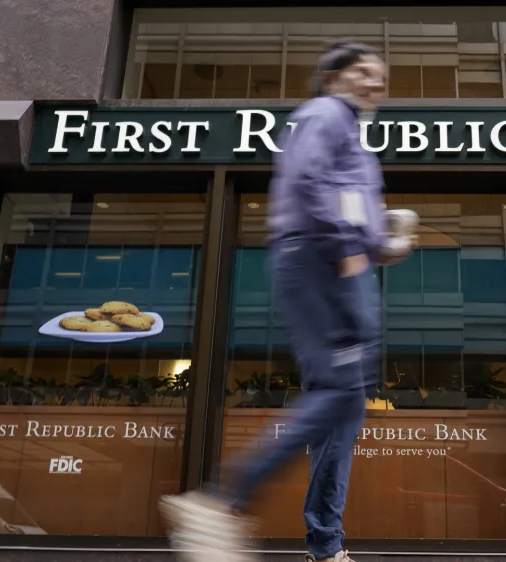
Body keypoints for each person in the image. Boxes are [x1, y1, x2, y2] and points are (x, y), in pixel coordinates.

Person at [159, 39, 402, 562]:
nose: (375, 82)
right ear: (332, 77)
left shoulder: (352, 137)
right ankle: (221, 500)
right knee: (342, 392)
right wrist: (347, 246)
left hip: (333, 262)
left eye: (380, 75)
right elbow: (308, 178)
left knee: (344, 402)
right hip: (321, 261)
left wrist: (383, 243)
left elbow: (346, 205)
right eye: (363, 71)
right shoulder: (326, 113)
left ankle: (323, 544)